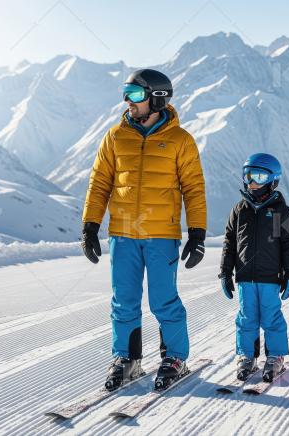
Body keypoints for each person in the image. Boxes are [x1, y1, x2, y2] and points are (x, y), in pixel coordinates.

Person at [81, 68, 207, 390]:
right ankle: (127, 358)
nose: (128, 100)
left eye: (135, 94)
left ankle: (175, 357)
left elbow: (193, 188)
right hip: (123, 235)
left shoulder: (181, 140)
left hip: (161, 236)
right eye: (126, 92)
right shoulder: (115, 136)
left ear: (157, 98)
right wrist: (90, 225)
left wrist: (197, 234)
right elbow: (99, 184)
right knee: (123, 300)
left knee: (164, 300)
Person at [219, 153, 289, 382]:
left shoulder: (282, 212)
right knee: (246, 318)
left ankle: (275, 356)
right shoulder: (239, 210)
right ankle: (246, 356)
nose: (252, 181)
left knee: (271, 317)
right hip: (245, 277)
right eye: (248, 175)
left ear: (273, 179)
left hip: (270, 278)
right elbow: (230, 243)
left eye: (259, 176)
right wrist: (225, 272)